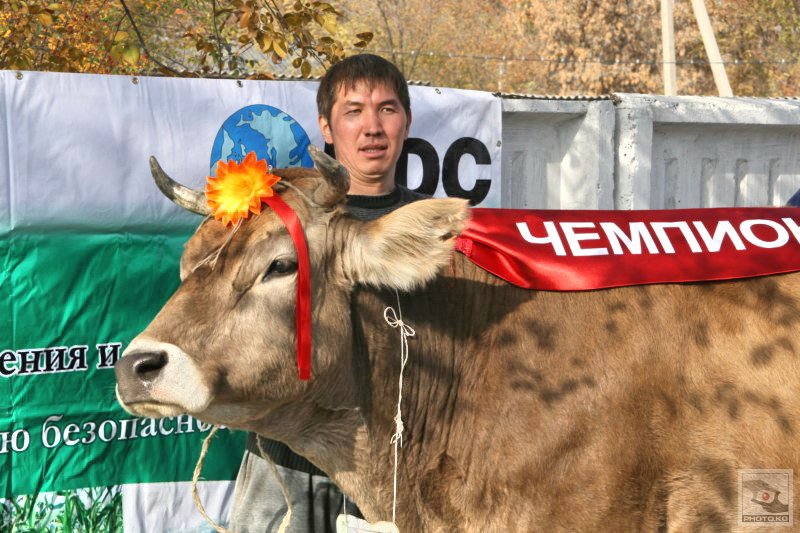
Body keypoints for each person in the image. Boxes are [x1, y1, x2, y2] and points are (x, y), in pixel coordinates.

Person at [229, 53, 428, 532]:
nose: (372, 127)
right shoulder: (277, 223)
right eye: (353, 111)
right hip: (287, 466)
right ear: (326, 126)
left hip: (399, 472)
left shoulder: (430, 229)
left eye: (387, 109)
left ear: (406, 122)